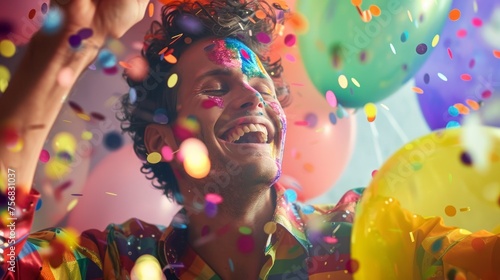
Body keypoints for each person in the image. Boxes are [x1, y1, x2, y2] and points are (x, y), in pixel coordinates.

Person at [0, 0, 498, 279]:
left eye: (262, 88)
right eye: (215, 88)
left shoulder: (367, 236)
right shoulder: (118, 263)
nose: (252, 98)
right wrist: (69, 45)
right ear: (163, 138)